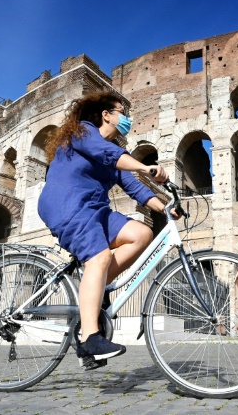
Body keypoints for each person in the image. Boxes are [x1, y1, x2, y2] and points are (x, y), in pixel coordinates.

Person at [38, 91, 178, 366]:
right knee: (100, 257)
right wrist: (147, 167)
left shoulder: (113, 155)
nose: (127, 119)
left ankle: (96, 286)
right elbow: (108, 154)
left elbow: (136, 188)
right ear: (106, 115)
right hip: (67, 203)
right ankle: (90, 337)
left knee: (142, 234)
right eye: (122, 113)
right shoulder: (82, 132)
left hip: (95, 209)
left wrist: (165, 208)